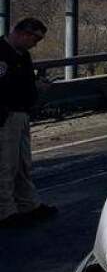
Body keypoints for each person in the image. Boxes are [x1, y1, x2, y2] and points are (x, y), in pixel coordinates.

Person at [0, 18, 57, 228]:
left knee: (23, 163)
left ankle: (28, 205)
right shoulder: (2, 53)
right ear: (24, 34)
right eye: (35, 39)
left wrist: (36, 88)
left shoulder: (23, 56)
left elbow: (21, 83)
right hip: (6, 115)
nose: (36, 44)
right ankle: (5, 211)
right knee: (5, 164)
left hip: (22, 113)